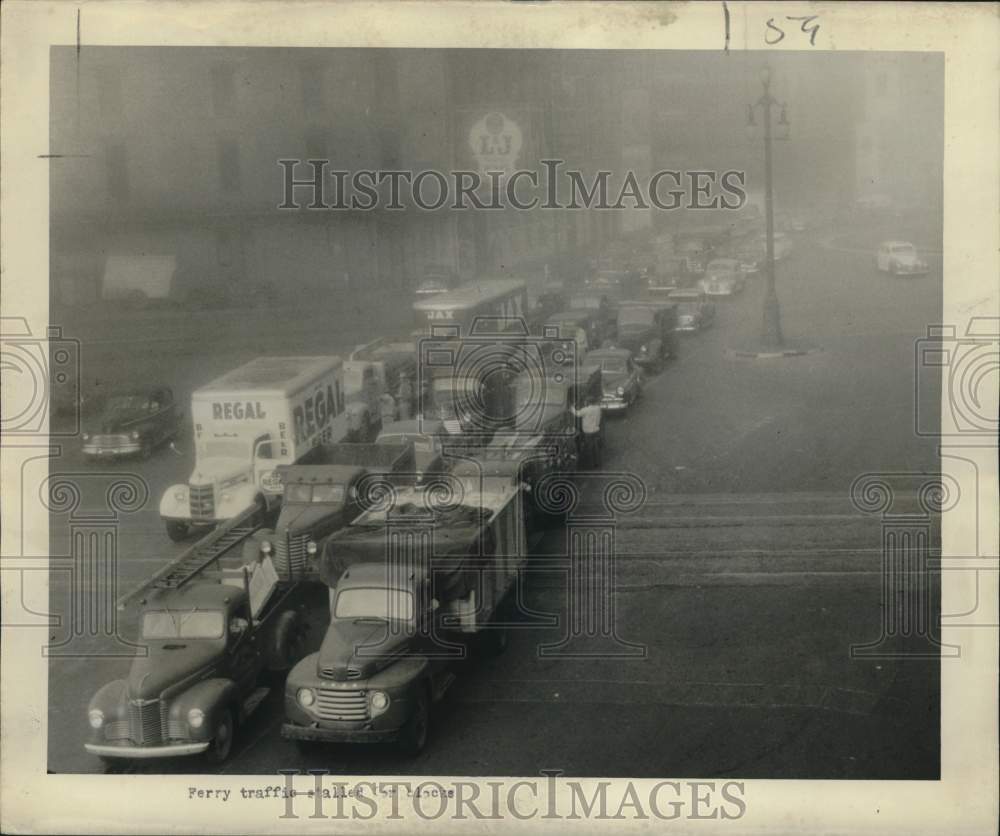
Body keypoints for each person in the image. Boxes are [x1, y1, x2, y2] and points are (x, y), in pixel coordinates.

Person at [571, 399, 603, 469]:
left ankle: (592, 465)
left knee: (590, 448)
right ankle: (597, 462)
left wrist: (572, 407)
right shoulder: (598, 408)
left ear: (587, 402)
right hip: (596, 430)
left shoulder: (585, 410)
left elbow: (577, 414)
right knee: (595, 446)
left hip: (588, 432)